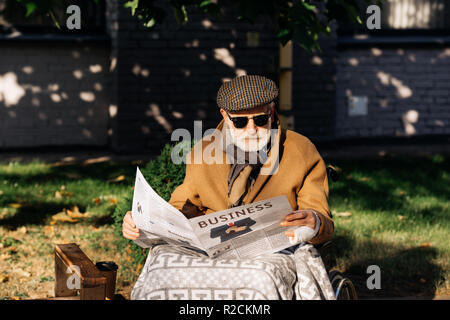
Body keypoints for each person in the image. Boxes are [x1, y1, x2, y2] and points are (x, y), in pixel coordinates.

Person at [122, 75, 335, 300]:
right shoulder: (203, 151)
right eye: (240, 122)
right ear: (225, 115)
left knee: (260, 278)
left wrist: (314, 221)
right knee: (162, 268)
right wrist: (144, 224)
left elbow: (322, 218)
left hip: (271, 251)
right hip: (211, 250)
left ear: (272, 112)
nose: (252, 129)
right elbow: (180, 207)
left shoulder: (300, 150)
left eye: (260, 120)